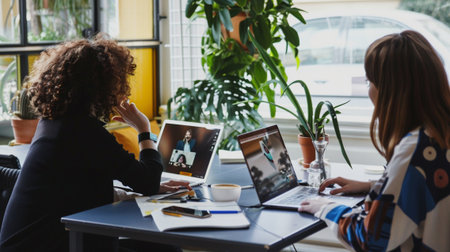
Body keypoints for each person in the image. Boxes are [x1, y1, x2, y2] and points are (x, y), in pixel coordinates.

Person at [0, 34, 190, 252]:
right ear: (100, 86)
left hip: (29, 242)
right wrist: (144, 130)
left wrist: (145, 187)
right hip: (53, 244)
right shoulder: (84, 131)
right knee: (165, 248)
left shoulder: (53, 123)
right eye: (119, 80)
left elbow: (75, 186)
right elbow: (146, 181)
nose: (122, 88)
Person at [299, 30, 450, 251]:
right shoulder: (440, 134)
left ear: (392, 92)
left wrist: (326, 207)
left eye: (370, 82)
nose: (369, 90)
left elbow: (370, 238)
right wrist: (376, 187)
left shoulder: (416, 148)